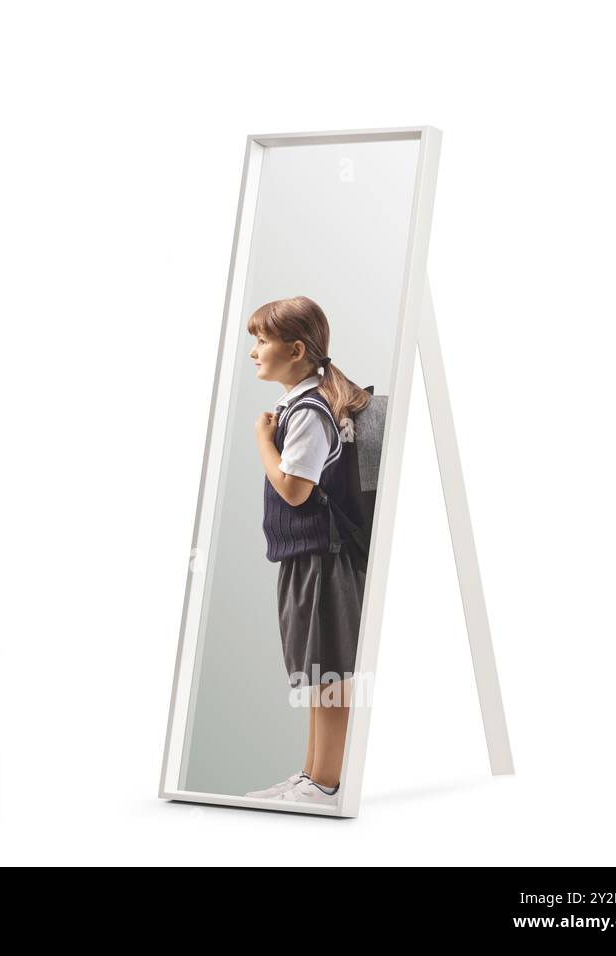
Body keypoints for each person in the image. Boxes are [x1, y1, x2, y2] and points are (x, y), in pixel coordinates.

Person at [244, 295, 369, 807]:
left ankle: (326, 782)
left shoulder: (311, 411)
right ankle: (314, 776)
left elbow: (294, 489)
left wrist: (262, 441)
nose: (254, 351)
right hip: (309, 557)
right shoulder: (306, 403)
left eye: (262, 340)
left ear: (296, 350)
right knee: (319, 672)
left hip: (324, 559)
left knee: (329, 675)